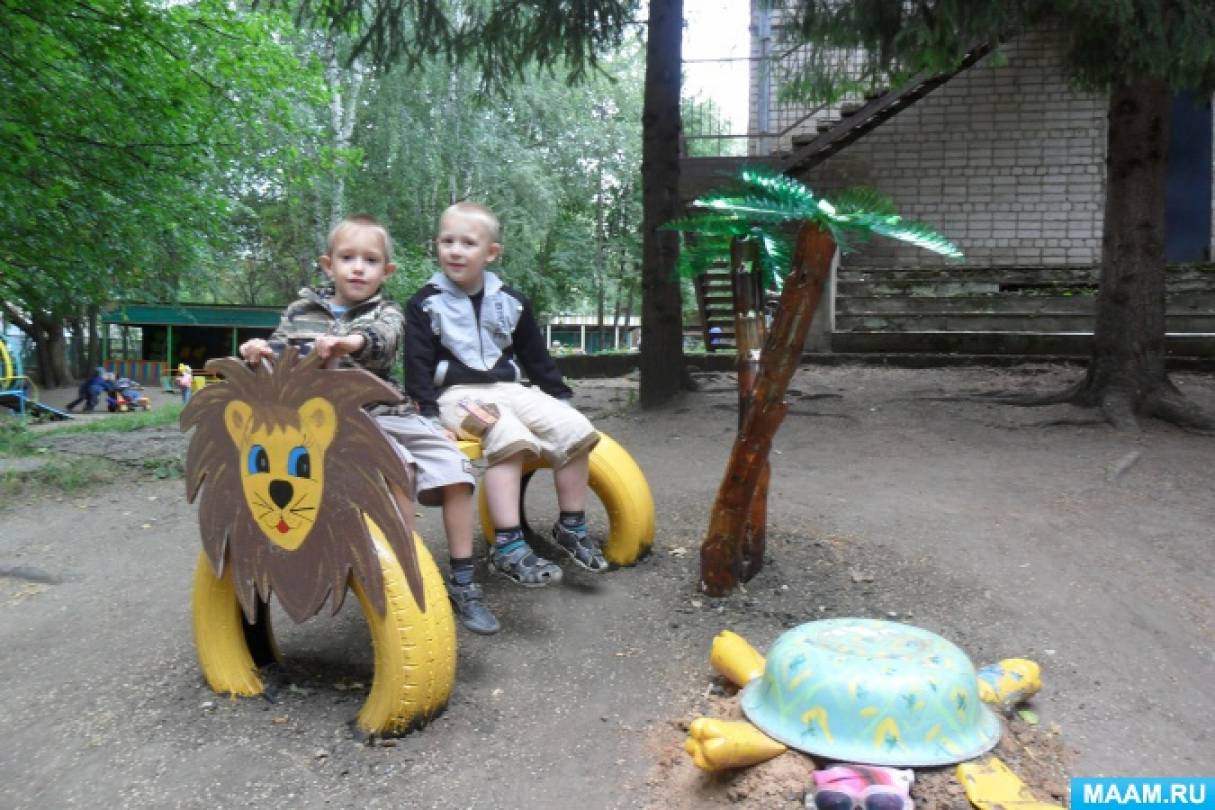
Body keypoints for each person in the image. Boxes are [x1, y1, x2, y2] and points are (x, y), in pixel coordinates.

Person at [238, 214, 499, 635]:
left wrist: (348, 343)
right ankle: (401, 575)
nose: (358, 268)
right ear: (329, 265)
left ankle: (463, 579)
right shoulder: (301, 311)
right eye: (348, 258)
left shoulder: (386, 311)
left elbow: (382, 340)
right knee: (397, 468)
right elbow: (277, 356)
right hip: (326, 422)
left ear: (386, 271)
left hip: (385, 410)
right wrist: (258, 353)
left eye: (370, 260)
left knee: (456, 469)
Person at [404, 202, 606, 591]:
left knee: (576, 429)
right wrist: (427, 413)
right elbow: (416, 362)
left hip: (510, 389)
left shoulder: (511, 300)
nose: (455, 251)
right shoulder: (425, 303)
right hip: (457, 395)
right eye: (447, 241)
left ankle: (571, 525)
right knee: (508, 436)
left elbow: (534, 354)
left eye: (468, 243)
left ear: (491, 252)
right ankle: (508, 546)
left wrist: (557, 394)